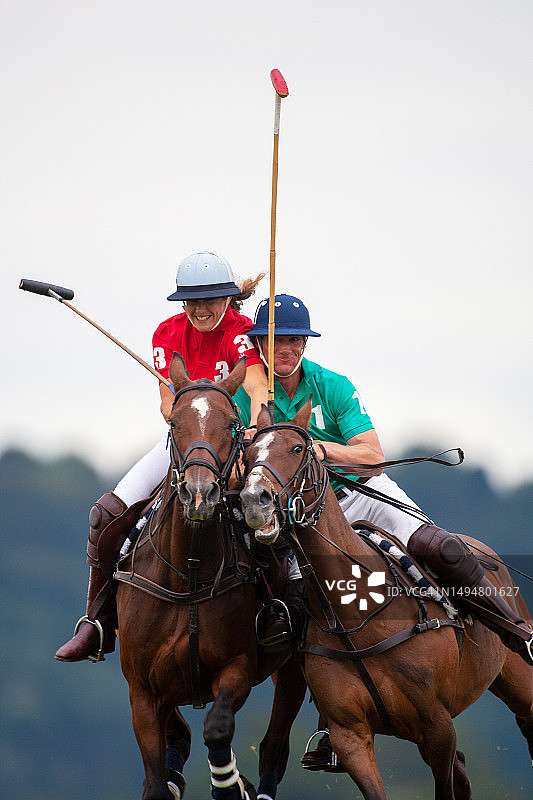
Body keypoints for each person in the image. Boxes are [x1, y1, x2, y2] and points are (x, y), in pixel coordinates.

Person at [234, 293, 533, 770]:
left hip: (359, 494)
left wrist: (313, 450)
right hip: (299, 516)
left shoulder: (331, 386)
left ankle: (517, 631)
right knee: (294, 605)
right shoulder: (247, 395)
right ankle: (332, 722)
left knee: (443, 549)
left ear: (304, 345)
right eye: (275, 340)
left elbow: (372, 454)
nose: (285, 349)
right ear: (258, 345)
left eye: (294, 340)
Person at [55, 251, 269, 663]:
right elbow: (167, 403)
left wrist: (255, 434)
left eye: (210, 299)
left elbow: (257, 387)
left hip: (233, 442)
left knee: (266, 515)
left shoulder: (241, 332)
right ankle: (96, 624)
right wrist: (192, 422)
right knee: (105, 514)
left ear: (227, 300)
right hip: (185, 442)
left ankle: (282, 614)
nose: (201, 309)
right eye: (192, 300)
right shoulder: (167, 334)